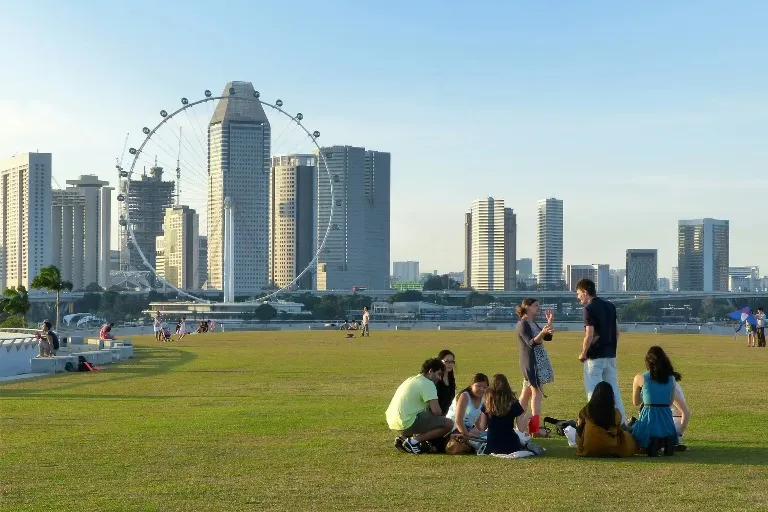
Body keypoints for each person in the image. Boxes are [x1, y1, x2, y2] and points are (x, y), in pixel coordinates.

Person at [576, 278, 627, 424]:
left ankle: (595, 424)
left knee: (593, 391)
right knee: (614, 390)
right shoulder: (610, 306)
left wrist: (583, 352)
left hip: (595, 357)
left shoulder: (588, 309)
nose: (578, 297)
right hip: (610, 354)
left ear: (585, 292)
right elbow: (617, 332)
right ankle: (622, 422)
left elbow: (589, 334)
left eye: (579, 293)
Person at [386, 358, 454, 454]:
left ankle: (403, 438)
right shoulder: (428, 383)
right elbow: (436, 411)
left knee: (423, 414)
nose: (440, 378)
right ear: (430, 371)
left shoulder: (410, 379)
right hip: (406, 422)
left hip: (392, 421)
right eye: (439, 374)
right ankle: (413, 442)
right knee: (448, 423)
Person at [516, 298, 555, 437]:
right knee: (536, 394)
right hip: (532, 363)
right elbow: (531, 342)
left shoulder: (532, 323)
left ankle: (520, 426)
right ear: (526, 307)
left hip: (537, 361)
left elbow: (547, 338)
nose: (539, 308)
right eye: (536, 306)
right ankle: (535, 428)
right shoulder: (523, 324)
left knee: (526, 394)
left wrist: (549, 323)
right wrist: (543, 332)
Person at [631, 346, 679, 455]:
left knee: (632, 429)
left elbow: (636, 402)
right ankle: (665, 441)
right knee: (664, 430)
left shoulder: (640, 377)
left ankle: (651, 443)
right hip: (666, 419)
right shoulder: (671, 378)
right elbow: (670, 402)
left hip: (648, 416)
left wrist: (646, 394)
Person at [575, 381, 638, 457]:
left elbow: (579, 429)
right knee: (628, 437)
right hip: (610, 447)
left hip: (589, 447)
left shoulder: (586, 410)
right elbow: (619, 428)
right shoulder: (615, 412)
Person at [475, 373, 530, 455]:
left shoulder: (487, 403)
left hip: (492, 446)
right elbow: (521, 429)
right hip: (511, 445)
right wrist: (528, 417)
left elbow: (482, 427)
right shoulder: (514, 403)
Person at [671, 374, 691, 450]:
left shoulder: (673, 389)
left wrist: (679, 435)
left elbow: (686, 412)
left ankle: (673, 443)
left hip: (673, 423)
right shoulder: (674, 385)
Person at [435, 349, 456, 415]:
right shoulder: (435, 379)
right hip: (436, 415)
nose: (450, 364)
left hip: (448, 414)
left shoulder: (451, 379)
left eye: (452, 362)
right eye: (447, 361)